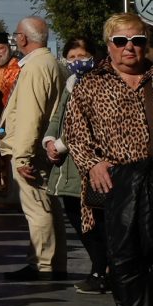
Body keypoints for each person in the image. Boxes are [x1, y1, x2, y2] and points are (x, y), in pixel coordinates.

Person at [60, 14, 153, 306]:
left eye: (137, 41)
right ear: (109, 45)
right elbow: (75, 133)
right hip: (117, 181)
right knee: (124, 257)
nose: (130, 48)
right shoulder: (91, 84)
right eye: (121, 41)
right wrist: (93, 164)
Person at [0, 15, 70, 281]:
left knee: (37, 208)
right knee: (48, 206)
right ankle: (55, 263)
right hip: (43, 149)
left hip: (32, 152)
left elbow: (31, 115)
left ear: (22, 38)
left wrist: (22, 157)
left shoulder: (36, 67)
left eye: (16, 34)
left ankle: (42, 264)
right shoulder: (51, 63)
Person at [45, 37, 108, 292]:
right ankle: (100, 268)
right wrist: (49, 141)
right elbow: (58, 116)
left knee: (94, 219)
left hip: (88, 161)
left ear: (93, 56)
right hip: (67, 165)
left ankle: (102, 270)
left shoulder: (101, 82)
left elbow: (91, 123)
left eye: (81, 56)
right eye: (71, 57)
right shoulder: (71, 82)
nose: (76, 62)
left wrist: (60, 145)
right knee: (74, 213)